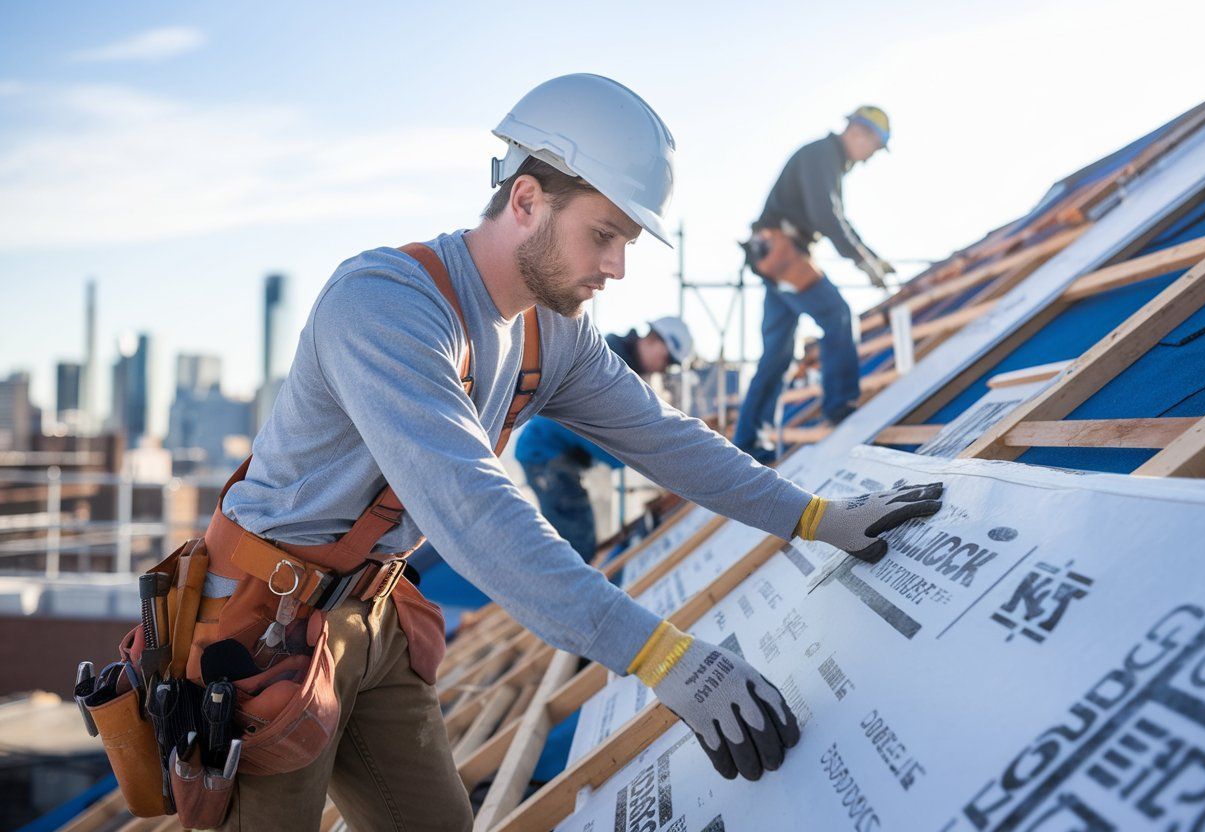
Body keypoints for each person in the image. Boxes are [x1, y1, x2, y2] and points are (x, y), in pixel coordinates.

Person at [200, 76, 942, 830]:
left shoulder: (547, 331)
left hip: (372, 614)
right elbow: (469, 505)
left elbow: (665, 438)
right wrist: (659, 655)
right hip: (264, 630)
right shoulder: (385, 304)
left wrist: (814, 517)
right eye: (605, 235)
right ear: (525, 201)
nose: (618, 267)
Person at [733, 106, 895, 462]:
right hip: (783, 254)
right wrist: (862, 261)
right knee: (837, 315)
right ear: (858, 132)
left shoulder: (825, 159)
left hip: (776, 254)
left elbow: (835, 216)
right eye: (873, 147)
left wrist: (870, 254)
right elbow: (827, 216)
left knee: (777, 354)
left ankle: (747, 441)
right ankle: (839, 405)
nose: (869, 159)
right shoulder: (824, 155)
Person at [516, 317, 693, 561]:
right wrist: (629, 456)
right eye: (667, 360)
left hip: (553, 454)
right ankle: (556, 596)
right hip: (546, 453)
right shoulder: (609, 364)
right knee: (576, 545)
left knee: (574, 542)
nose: (664, 369)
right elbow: (586, 425)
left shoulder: (620, 364)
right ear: (656, 342)